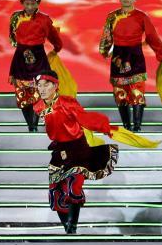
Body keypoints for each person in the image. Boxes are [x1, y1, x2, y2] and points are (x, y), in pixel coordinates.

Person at [33, 71, 117, 234]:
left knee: (73, 186)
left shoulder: (67, 102)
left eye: (46, 85)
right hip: (59, 150)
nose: (42, 89)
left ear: (55, 86)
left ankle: (72, 227)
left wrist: (104, 126)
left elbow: (85, 118)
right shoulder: (38, 107)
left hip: (78, 149)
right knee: (56, 191)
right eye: (39, 85)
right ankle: (68, 229)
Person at [98, 0, 162, 132]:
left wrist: (160, 53)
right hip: (118, 57)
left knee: (137, 91)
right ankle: (126, 126)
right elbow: (106, 35)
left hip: (135, 56)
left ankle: (137, 126)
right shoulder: (112, 16)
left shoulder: (141, 17)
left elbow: (151, 36)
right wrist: (104, 50)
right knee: (120, 93)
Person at [8, 0, 64, 132]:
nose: (30, 6)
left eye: (33, 3)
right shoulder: (15, 17)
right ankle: (30, 124)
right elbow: (12, 37)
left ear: (38, 3)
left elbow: (54, 36)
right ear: (22, 3)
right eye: (27, 3)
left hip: (39, 58)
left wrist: (57, 48)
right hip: (20, 59)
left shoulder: (44, 19)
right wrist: (22, 46)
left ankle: (34, 124)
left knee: (40, 92)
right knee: (22, 93)